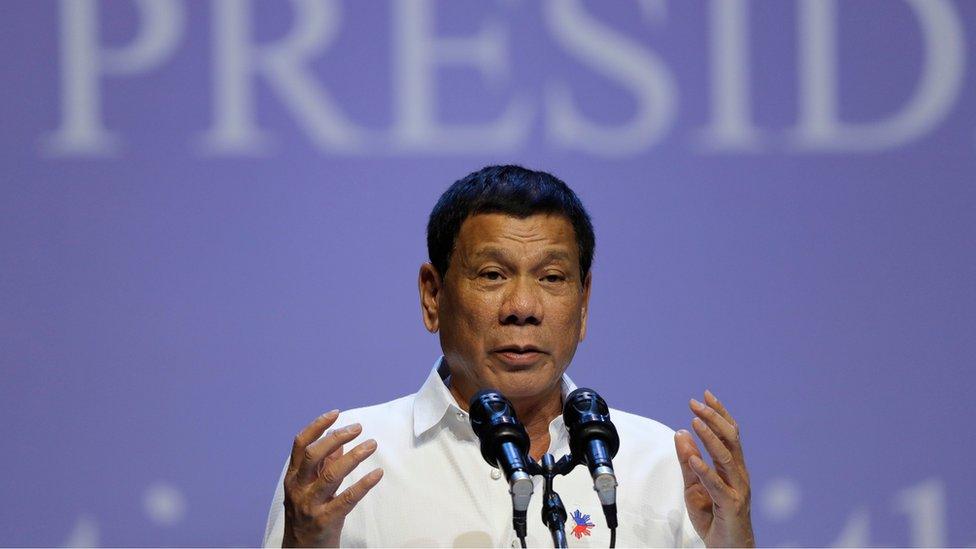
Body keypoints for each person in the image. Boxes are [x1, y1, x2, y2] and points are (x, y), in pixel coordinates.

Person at [263, 165, 755, 547]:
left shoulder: (660, 465)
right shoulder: (344, 469)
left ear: (583, 305)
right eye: (493, 275)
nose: (523, 308)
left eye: (552, 278)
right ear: (433, 296)